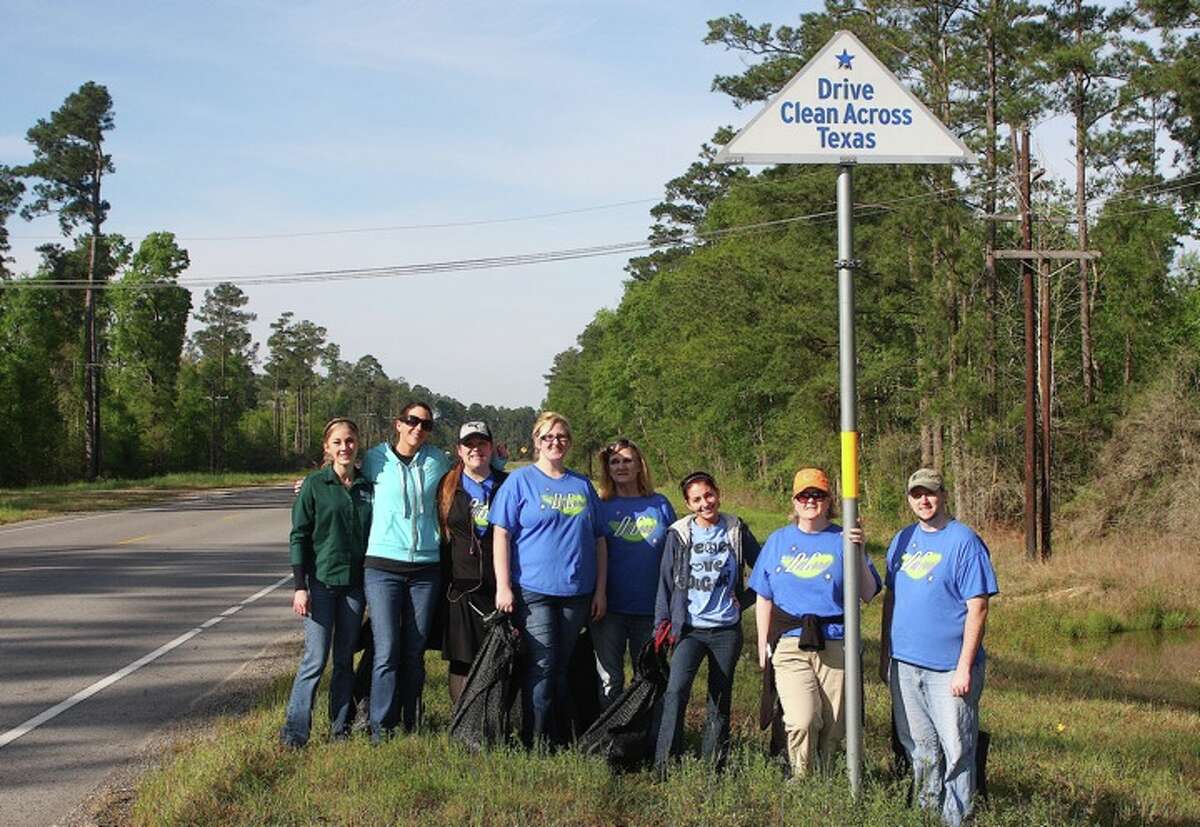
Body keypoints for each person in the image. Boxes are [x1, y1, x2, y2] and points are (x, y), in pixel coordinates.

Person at [879, 468, 999, 827]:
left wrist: (964, 666)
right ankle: (927, 813)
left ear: (943, 495)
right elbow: (891, 599)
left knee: (958, 748)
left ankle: (956, 818)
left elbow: (978, 606)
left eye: (930, 493)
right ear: (909, 499)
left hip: (949, 668)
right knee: (920, 747)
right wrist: (886, 653)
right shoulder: (902, 540)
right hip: (905, 663)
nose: (924, 500)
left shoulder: (964, 541)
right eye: (917, 494)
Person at [749, 467, 880, 777]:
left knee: (835, 723)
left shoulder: (843, 538)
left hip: (835, 640)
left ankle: (825, 778)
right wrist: (761, 645)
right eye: (804, 495)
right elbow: (763, 598)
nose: (810, 500)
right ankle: (801, 778)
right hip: (790, 642)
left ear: (828, 500)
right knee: (802, 719)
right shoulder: (778, 541)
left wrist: (858, 551)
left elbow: (869, 592)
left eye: (817, 494)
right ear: (794, 501)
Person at [492, 411, 607, 746]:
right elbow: (501, 534)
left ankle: (560, 736)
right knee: (542, 666)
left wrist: (600, 590)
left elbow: (599, 540)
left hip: (577, 591)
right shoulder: (520, 481)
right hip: (533, 591)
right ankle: (536, 741)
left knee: (562, 666)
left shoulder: (582, 484)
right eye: (548, 437)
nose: (555, 442)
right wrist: (503, 585)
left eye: (561, 437)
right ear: (536, 442)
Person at [653, 471, 760, 773]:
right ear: (688, 504)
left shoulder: (735, 528)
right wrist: (662, 625)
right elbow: (664, 583)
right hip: (688, 630)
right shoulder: (679, 534)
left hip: (726, 629)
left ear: (718, 493)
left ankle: (714, 767)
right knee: (675, 693)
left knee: (720, 697)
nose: (705, 503)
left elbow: (764, 569)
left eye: (708, 495)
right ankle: (664, 766)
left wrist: (746, 599)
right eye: (696, 499)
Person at [280, 417, 373, 747]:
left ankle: (339, 730)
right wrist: (299, 586)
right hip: (320, 584)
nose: (344, 447)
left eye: (349, 441)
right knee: (315, 660)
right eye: (337, 442)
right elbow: (298, 537)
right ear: (327, 448)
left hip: (354, 586)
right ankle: (294, 733)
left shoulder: (367, 486)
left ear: (357, 443)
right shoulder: (314, 485)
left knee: (345, 660)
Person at [360, 401, 448, 740]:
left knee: (414, 650)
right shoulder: (374, 459)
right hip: (382, 566)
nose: (418, 429)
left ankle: (411, 721)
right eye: (412, 421)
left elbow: (466, 475)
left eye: (426, 424)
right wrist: (307, 485)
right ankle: (381, 726)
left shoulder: (436, 460)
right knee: (386, 649)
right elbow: (346, 481)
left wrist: (499, 463)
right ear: (398, 423)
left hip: (426, 568)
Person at [592, 438, 676, 707]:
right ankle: (609, 739)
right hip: (609, 608)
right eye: (614, 461)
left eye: (627, 460)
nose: (621, 466)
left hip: (651, 608)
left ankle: (647, 738)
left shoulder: (660, 504)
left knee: (649, 676)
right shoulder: (599, 505)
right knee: (610, 678)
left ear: (640, 465)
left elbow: (677, 555)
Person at [437, 420, 509, 705]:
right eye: (469, 444)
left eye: (481, 444)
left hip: (501, 586)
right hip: (460, 588)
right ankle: (462, 722)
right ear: (459, 450)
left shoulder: (508, 484)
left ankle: (494, 719)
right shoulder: (446, 486)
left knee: (501, 657)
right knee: (461, 661)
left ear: (491, 448)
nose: (475, 450)